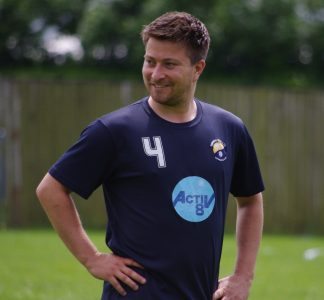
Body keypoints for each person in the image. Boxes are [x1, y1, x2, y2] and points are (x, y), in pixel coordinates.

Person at [36, 11, 264, 300]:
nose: (156, 74)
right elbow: (51, 189)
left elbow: (250, 201)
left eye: (169, 64)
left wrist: (243, 277)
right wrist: (91, 258)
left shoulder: (229, 129)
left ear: (198, 68)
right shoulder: (113, 131)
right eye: (149, 61)